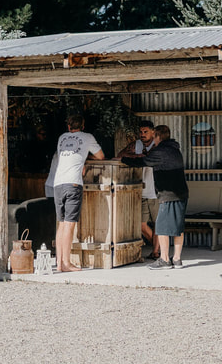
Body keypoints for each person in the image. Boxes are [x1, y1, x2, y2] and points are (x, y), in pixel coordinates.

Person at [120, 124, 188, 270]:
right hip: (181, 193)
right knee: (178, 227)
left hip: (168, 193)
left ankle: (164, 260)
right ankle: (176, 259)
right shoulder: (175, 149)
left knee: (162, 228)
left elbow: (143, 162)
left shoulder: (161, 151)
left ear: (157, 136)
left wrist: (124, 160)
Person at [52, 113, 104, 272]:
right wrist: (85, 161)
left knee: (60, 225)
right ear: (83, 126)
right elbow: (101, 156)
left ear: (68, 126)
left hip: (58, 183)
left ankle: (59, 263)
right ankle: (67, 263)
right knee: (69, 225)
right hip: (73, 183)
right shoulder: (87, 137)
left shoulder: (62, 138)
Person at [117, 119, 160, 258]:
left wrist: (138, 158)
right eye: (141, 132)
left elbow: (149, 157)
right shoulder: (136, 144)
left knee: (158, 223)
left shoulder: (157, 145)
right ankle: (158, 246)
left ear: (153, 132)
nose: (143, 134)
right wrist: (137, 156)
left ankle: (156, 252)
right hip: (141, 190)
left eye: (146, 132)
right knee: (141, 224)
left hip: (156, 190)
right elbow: (120, 155)